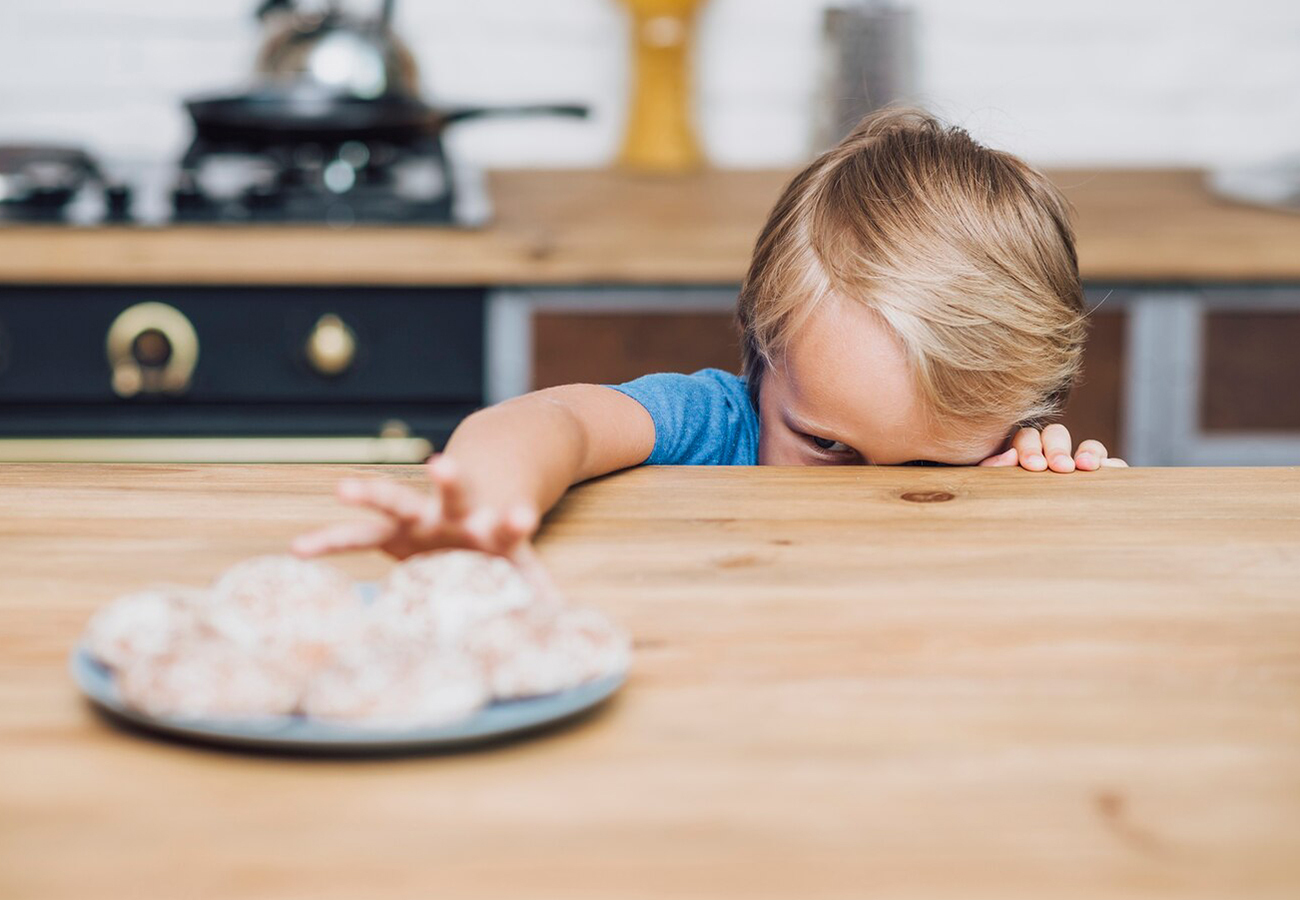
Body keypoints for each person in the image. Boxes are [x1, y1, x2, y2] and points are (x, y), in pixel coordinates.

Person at [293, 108, 1125, 566]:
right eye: (826, 446)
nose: (865, 509)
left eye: (927, 470)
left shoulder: (1008, 459)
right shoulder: (716, 426)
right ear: (761, 357)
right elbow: (557, 424)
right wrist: (483, 497)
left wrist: (1038, 503)